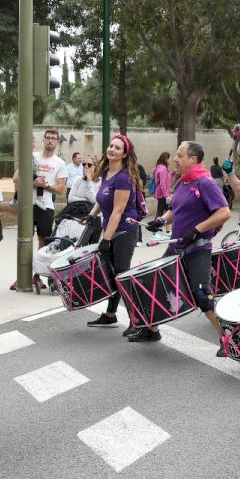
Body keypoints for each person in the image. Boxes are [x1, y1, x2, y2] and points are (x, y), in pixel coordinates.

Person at [138, 141, 232, 343]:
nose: (175, 159)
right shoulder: (183, 182)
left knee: (202, 295)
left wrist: (197, 229)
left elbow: (224, 212)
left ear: (193, 159)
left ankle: (229, 340)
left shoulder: (205, 183)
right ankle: (151, 330)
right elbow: (175, 209)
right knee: (160, 286)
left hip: (198, 249)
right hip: (176, 247)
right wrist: (161, 221)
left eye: (179, 156)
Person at [85, 135, 144, 333]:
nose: (111, 149)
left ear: (125, 154)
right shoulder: (107, 173)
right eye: (111, 146)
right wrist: (91, 215)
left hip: (125, 231)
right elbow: (102, 199)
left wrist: (106, 239)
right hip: (111, 229)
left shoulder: (124, 178)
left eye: (117, 148)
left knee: (122, 275)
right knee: (113, 274)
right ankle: (110, 315)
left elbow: (118, 211)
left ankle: (138, 321)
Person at [31, 128, 66, 255]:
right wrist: (33, 182)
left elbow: (61, 190)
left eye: (53, 138)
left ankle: (37, 268)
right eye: (48, 138)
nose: (50, 140)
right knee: (25, 239)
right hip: (28, 204)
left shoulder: (60, 163)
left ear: (57, 142)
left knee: (44, 241)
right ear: (44, 140)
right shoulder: (33, 156)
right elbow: (17, 179)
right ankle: (26, 267)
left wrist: (46, 186)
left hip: (46, 206)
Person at [152, 152, 173, 219]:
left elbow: (167, 179)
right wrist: (166, 195)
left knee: (166, 210)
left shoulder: (160, 167)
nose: (170, 160)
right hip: (162, 194)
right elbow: (162, 183)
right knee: (161, 211)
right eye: (169, 158)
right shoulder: (163, 168)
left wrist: (173, 173)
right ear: (166, 159)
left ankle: (159, 223)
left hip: (162, 193)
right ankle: (155, 224)